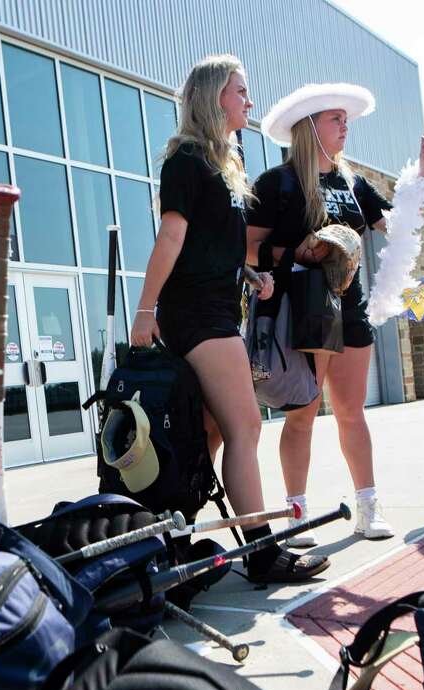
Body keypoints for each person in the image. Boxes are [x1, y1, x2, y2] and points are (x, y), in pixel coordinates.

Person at [129, 55, 329, 583]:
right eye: (241, 91)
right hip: (194, 313)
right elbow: (171, 239)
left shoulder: (222, 165)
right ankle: (262, 553)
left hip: (216, 306)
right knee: (245, 427)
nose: (249, 101)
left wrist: (247, 273)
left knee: (212, 432)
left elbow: (207, 244)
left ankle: (169, 536)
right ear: (215, 96)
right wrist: (144, 310)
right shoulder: (186, 162)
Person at [247, 83, 424, 543]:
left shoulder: (352, 182)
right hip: (298, 310)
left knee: (352, 411)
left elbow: (396, 225)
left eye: (345, 119)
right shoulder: (277, 182)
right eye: (335, 119)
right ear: (309, 127)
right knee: (302, 413)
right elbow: (248, 246)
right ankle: (296, 514)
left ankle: (368, 506)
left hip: (348, 308)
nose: (345, 126)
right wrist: (293, 253)